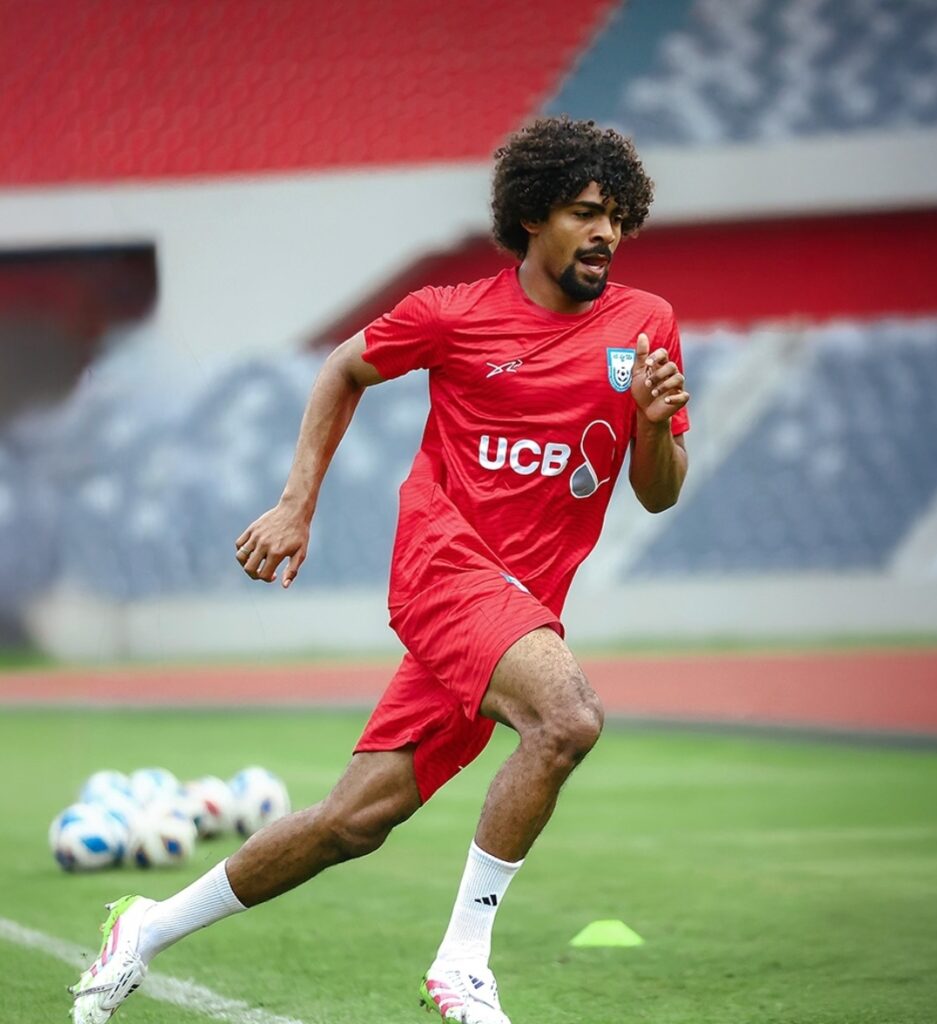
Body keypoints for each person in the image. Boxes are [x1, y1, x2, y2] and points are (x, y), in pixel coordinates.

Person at [69, 116, 690, 1024]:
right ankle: (463, 964)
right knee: (566, 719)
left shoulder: (644, 324)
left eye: (616, 217)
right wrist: (296, 505)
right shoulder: (452, 314)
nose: (606, 234)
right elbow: (343, 368)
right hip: (445, 569)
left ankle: (146, 927)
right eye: (584, 214)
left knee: (354, 820)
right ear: (531, 216)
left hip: (518, 610)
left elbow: (658, 493)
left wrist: (652, 425)